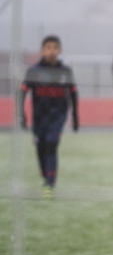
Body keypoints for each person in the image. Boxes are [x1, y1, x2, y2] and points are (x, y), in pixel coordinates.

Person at [17, 35, 78, 199]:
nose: (52, 51)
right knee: (41, 147)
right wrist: (21, 114)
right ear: (42, 51)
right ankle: (46, 175)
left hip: (58, 117)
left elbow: (73, 93)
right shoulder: (33, 71)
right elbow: (22, 92)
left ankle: (50, 184)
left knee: (52, 143)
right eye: (48, 48)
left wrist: (75, 115)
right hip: (39, 118)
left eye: (55, 48)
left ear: (60, 50)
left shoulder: (66, 72)